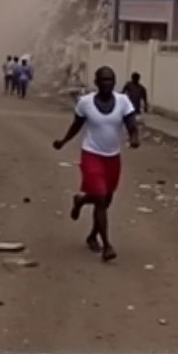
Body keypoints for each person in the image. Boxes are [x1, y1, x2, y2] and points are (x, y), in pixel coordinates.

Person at [52, 65, 140, 262]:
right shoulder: (85, 103)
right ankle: (107, 245)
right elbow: (76, 125)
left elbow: (131, 124)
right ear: (96, 82)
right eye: (104, 80)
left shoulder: (123, 101)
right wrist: (63, 141)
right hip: (91, 155)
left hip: (113, 157)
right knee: (100, 198)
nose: (107, 84)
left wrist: (134, 137)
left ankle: (85, 211)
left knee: (106, 200)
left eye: (111, 80)